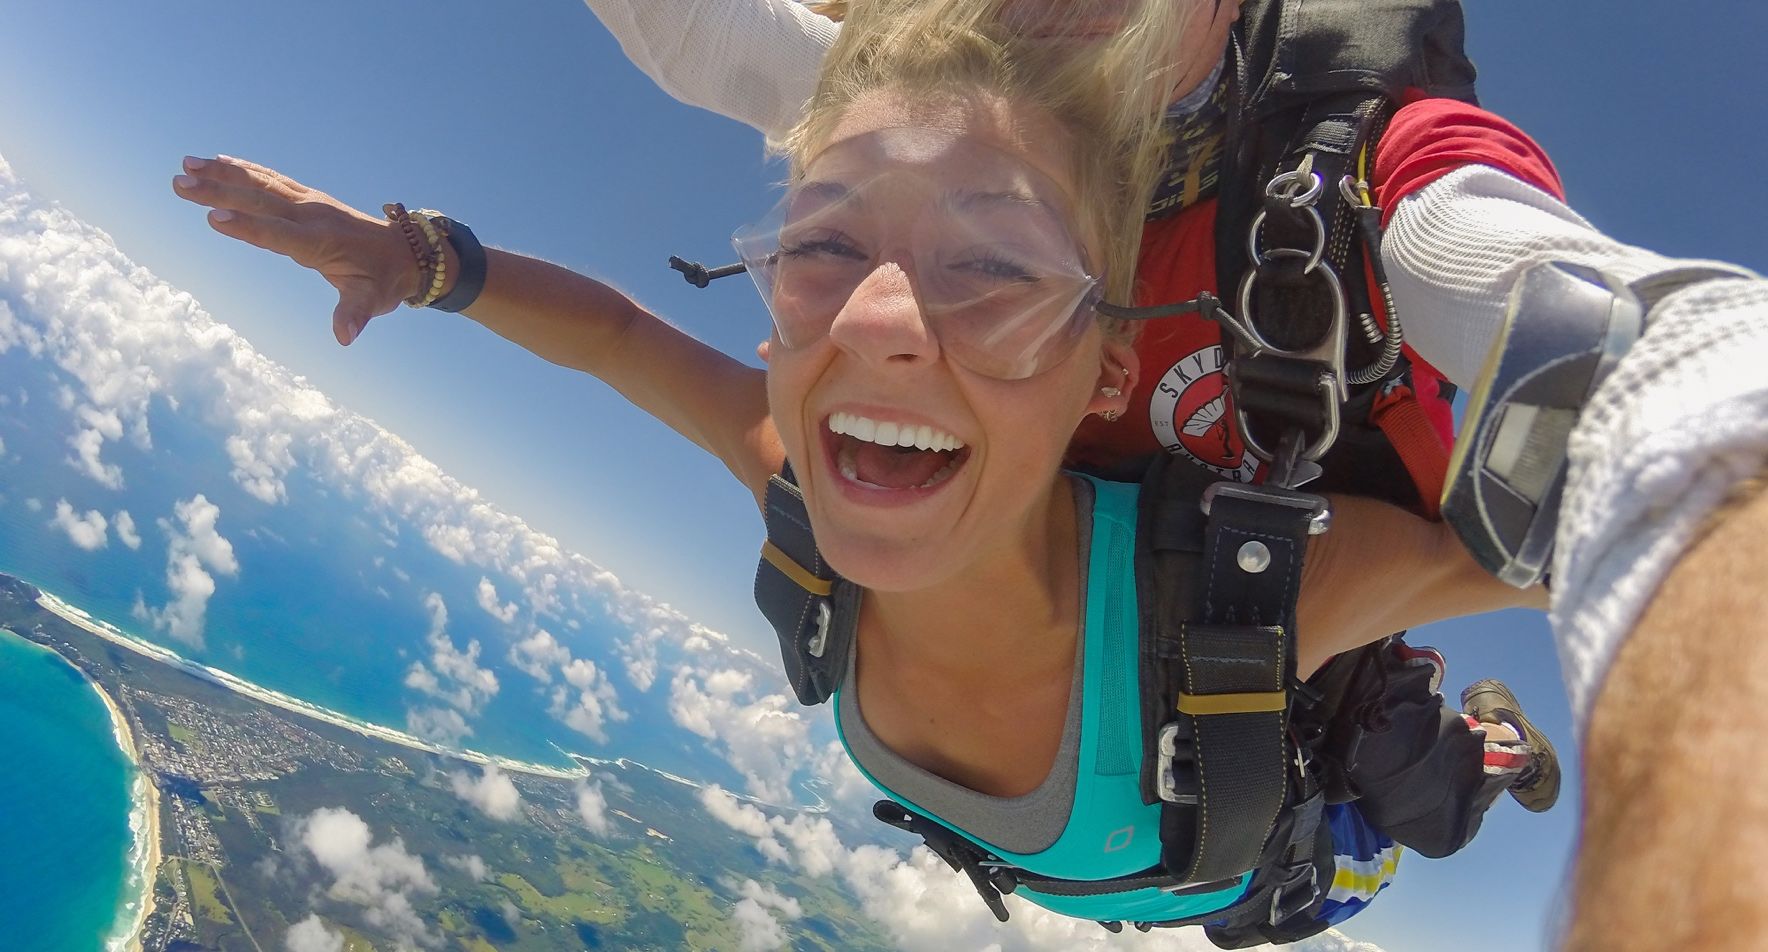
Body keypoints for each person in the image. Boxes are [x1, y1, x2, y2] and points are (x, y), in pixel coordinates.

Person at [173, 0, 1546, 940]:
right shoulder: (809, 495)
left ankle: (1492, 741)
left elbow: (1546, 547)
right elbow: (617, 338)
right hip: (1156, 850)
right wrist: (416, 259)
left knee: (1423, 787)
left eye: (990, 271)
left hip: (1277, 872)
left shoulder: (1256, 594)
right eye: (822, 248)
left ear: (1107, 370)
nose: (881, 323)